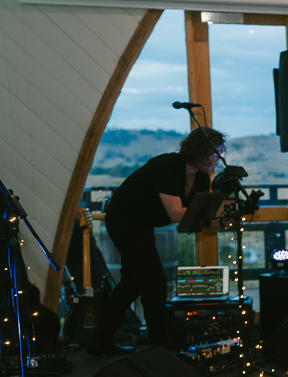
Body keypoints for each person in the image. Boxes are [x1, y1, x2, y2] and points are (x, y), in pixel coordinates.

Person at [88, 127, 225, 356]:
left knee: (132, 284)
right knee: (155, 282)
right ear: (195, 150)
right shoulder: (166, 166)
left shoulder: (201, 179)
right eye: (210, 153)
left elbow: (197, 220)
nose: (214, 159)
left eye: (218, 153)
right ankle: (162, 348)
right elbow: (176, 214)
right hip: (124, 219)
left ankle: (101, 340)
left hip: (143, 224)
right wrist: (208, 214)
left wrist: (224, 220)